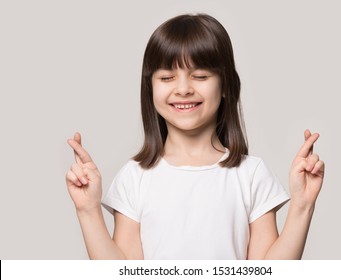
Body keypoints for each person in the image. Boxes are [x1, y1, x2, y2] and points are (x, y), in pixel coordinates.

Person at [66, 14, 325, 260]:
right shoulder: (134, 178)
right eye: (167, 77)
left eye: (200, 76)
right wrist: (88, 210)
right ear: (150, 88)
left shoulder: (251, 174)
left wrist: (302, 205)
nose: (183, 89)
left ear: (225, 85)